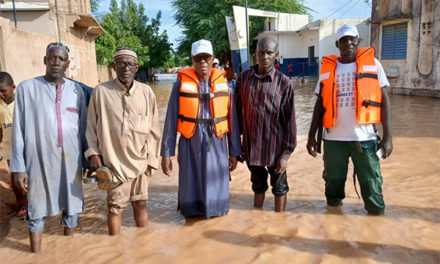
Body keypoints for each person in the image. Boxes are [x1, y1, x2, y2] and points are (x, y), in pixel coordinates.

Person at [306, 24, 392, 215]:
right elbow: (319, 105)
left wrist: (388, 137)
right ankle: (334, 223)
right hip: (333, 140)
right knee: (332, 188)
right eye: (343, 40)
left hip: (365, 139)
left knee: (372, 187)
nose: (348, 43)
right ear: (337, 44)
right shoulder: (328, 68)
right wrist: (311, 136)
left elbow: (384, 100)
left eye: (352, 39)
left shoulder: (374, 64)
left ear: (358, 41)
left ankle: (376, 231)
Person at [10, 43, 88, 253]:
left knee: (71, 207)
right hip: (38, 160)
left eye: (61, 59)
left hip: (70, 161)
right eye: (52, 58)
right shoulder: (27, 88)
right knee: (36, 207)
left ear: (67, 64)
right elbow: (18, 129)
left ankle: (69, 253)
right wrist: (18, 167)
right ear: (45, 60)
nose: (56, 62)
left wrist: (87, 159)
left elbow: (83, 129)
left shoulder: (76, 90)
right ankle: (35, 255)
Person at [161, 39, 241, 219]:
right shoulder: (179, 86)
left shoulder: (226, 87)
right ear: (192, 60)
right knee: (191, 187)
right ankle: (191, 218)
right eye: (198, 59)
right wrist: (166, 153)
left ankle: (214, 222)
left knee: (216, 187)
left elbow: (232, 122)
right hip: (190, 141)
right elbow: (171, 120)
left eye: (206, 58)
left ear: (212, 58)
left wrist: (234, 152)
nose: (202, 62)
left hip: (217, 142)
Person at [85, 47, 160, 235]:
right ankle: (114, 247)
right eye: (121, 63)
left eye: (130, 64)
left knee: (140, 203)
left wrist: (152, 160)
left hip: (141, 160)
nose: (126, 68)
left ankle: (143, 247)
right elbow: (91, 126)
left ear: (137, 68)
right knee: (114, 207)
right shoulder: (101, 92)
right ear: (114, 66)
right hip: (114, 162)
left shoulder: (146, 92)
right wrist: (93, 153)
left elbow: (153, 130)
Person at [235, 37, 297, 212]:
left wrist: (285, 154)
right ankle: (257, 217)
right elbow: (237, 115)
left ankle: (279, 222)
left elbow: (290, 121)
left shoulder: (284, 83)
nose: (265, 56)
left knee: (279, 187)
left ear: (276, 54)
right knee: (257, 184)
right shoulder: (243, 79)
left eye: (269, 52)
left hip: (275, 149)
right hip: (251, 147)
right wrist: (236, 147)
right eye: (261, 52)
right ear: (256, 54)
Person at [0, 72, 25, 217]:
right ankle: (20, 203)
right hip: (9, 147)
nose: (1, 94)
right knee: (14, 177)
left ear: (13, 87)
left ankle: (30, 204)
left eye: (4, 90)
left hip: (24, 147)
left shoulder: (22, 104)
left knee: (27, 177)